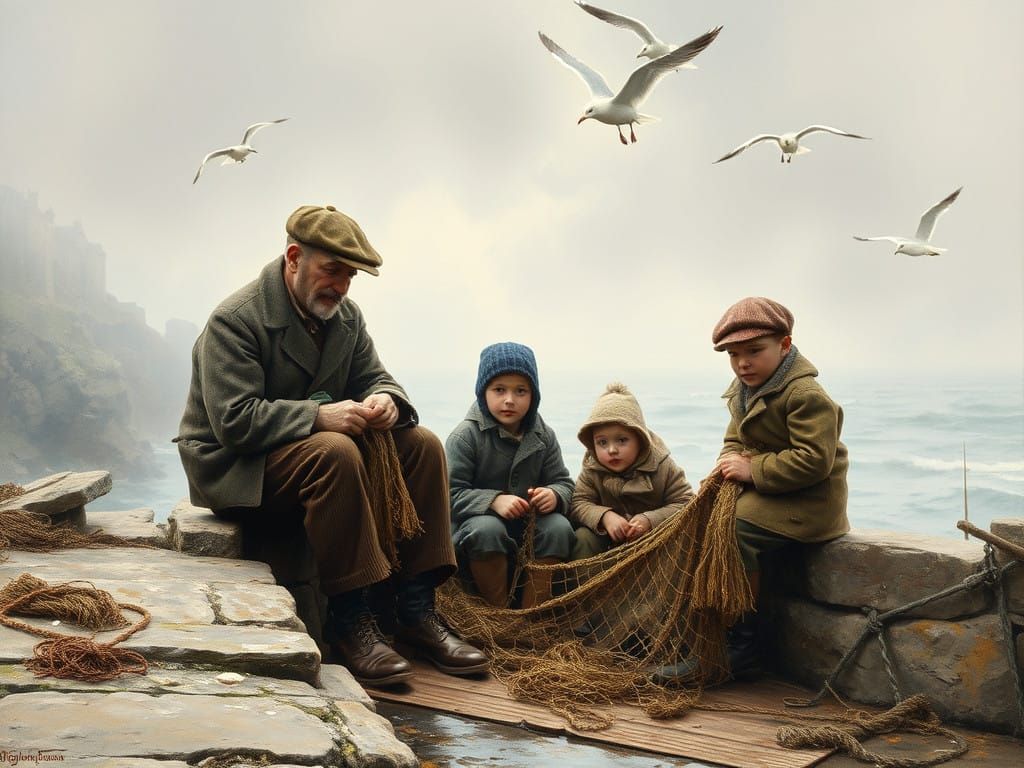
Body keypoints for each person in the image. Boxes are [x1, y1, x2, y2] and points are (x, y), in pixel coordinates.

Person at [175, 204, 487, 686]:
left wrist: (386, 399)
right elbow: (234, 422)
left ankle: (416, 610)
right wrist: (319, 416)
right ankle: (349, 620)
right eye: (332, 270)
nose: (340, 286)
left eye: (350, 276)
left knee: (422, 444)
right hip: (237, 466)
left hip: (303, 454)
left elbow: (376, 377)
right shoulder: (234, 321)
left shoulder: (346, 319)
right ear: (294, 258)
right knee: (335, 451)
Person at [711, 296, 849, 678]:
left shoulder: (804, 395)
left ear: (785, 345)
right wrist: (730, 463)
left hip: (810, 502)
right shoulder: (743, 388)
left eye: (755, 351)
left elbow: (813, 460)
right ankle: (713, 631)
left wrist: (752, 470)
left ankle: (744, 645)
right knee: (706, 520)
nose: (743, 363)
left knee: (734, 528)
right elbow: (733, 440)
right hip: (774, 491)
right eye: (734, 354)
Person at [445, 342, 576, 608]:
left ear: (533, 396)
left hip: (527, 529)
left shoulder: (543, 434)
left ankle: (529, 614)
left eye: (521, 391)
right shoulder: (466, 436)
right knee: (488, 528)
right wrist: (493, 501)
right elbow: (448, 495)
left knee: (560, 528)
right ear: (484, 392)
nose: (509, 399)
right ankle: (499, 613)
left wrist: (554, 495)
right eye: (499, 389)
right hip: (473, 533)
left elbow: (563, 482)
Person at [570, 382, 695, 559]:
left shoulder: (663, 466)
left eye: (622, 440)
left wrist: (649, 520)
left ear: (640, 439)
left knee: (680, 544)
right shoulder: (592, 469)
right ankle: (588, 586)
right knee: (583, 538)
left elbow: (686, 502)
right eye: (602, 442)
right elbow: (578, 502)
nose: (612, 450)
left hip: (655, 542)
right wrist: (605, 517)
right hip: (608, 541)